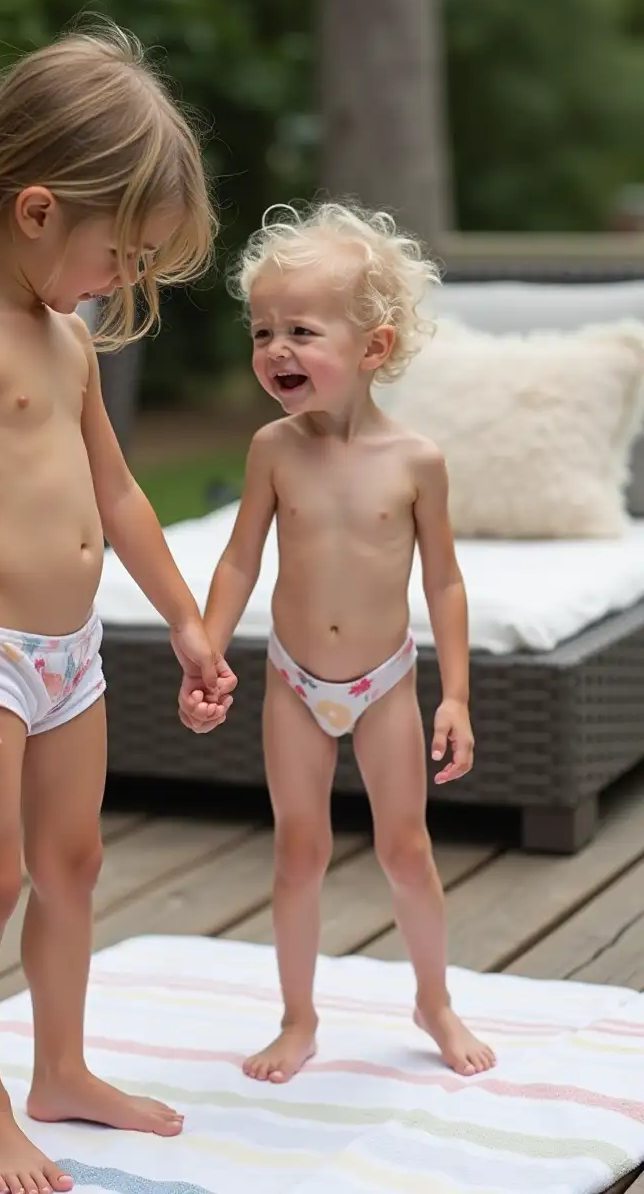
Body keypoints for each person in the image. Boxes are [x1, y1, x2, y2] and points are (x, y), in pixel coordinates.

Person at [0, 23, 235, 1194]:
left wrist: (186, 618)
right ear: (38, 211)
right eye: (120, 254)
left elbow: (122, 492)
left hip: (73, 653)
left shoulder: (69, 335)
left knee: (72, 861)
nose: (122, 282)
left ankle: (63, 1069)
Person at [194, 201, 496, 1085]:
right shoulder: (271, 450)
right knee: (299, 850)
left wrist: (458, 695)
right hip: (292, 681)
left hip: (385, 684)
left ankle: (433, 1001)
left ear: (372, 348)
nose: (276, 349)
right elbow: (241, 557)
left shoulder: (416, 462)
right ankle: (297, 1017)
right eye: (262, 332)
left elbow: (443, 579)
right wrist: (209, 644)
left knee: (406, 849)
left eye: (302, 330)